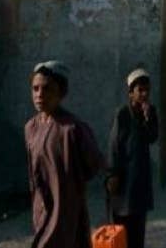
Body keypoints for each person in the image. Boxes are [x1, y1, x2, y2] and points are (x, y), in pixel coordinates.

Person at [24, 60, 104, 248]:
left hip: (66, 213)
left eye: (47, 89)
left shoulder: (73, 129)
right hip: (41, 210)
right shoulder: (30, 128)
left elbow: (93, 164)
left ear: (61, 93)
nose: (39, 95)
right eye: (35, 89)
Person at [106, 69, 159, 248]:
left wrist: (148, 117)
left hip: (140, 181)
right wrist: (112, 174)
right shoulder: (122, 113)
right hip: (123, 180)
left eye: (147, 90)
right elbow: (114, 146)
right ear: (131, 93)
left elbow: (152, 137)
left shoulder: (150, 112)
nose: (144, 94)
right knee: (121, 230)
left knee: (138, 230)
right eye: (140, 90)